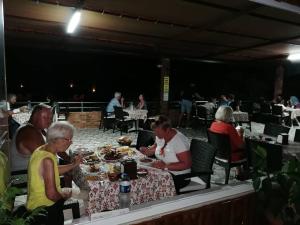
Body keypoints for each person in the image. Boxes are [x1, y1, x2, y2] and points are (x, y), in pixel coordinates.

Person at [26, 121, 82, 225]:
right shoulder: (47, 159)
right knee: (85, 196)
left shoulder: (41, 150)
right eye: (69, 139)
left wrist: (73, 165)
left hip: (35, 204)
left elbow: (53, 170)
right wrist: (64, 196)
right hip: (44, 210)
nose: (71, 142)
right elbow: (51, 195)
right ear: (57, 139)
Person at [139, 115, 192, 193]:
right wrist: (147, 150)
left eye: (158, 132)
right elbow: (156, 147)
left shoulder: (179, 141)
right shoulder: (160, 136)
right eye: (155, 131)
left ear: (167, 129)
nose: (156, 134)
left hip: (179, 177)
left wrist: (165, 166)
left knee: (147, 185)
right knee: (140, 176)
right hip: (163, 171)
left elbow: (187, 164)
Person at [209, 106, 246, 177]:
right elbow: (241, 145)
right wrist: (240, 135)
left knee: (233, 144)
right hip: (230, 156)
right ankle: (243, 172)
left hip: (217, 154)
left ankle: (239, 171)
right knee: (248, 150)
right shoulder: (229, 128)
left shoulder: (213, 124)